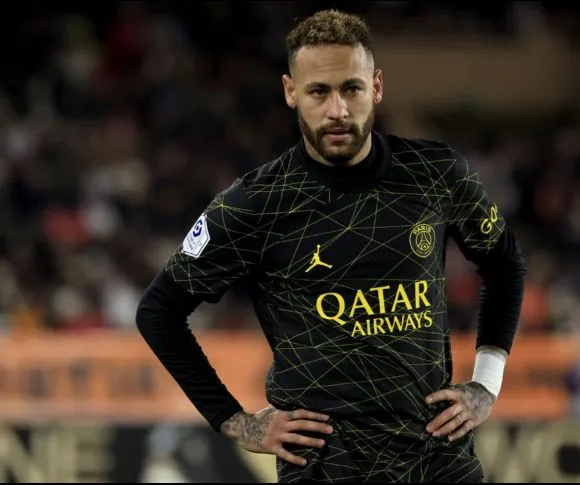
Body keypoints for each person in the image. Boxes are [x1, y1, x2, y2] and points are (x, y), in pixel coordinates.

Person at [135, 8, 526, 484]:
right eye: (319, 91)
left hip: (439, 464)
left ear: (376, 87)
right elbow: (158, 312)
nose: (337, 110)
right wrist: (236, 422)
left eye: (351, 89)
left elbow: (505, 264)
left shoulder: (436, 174)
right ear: (291, 92)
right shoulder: (255, 204)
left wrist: (486, 384)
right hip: (325, 470)